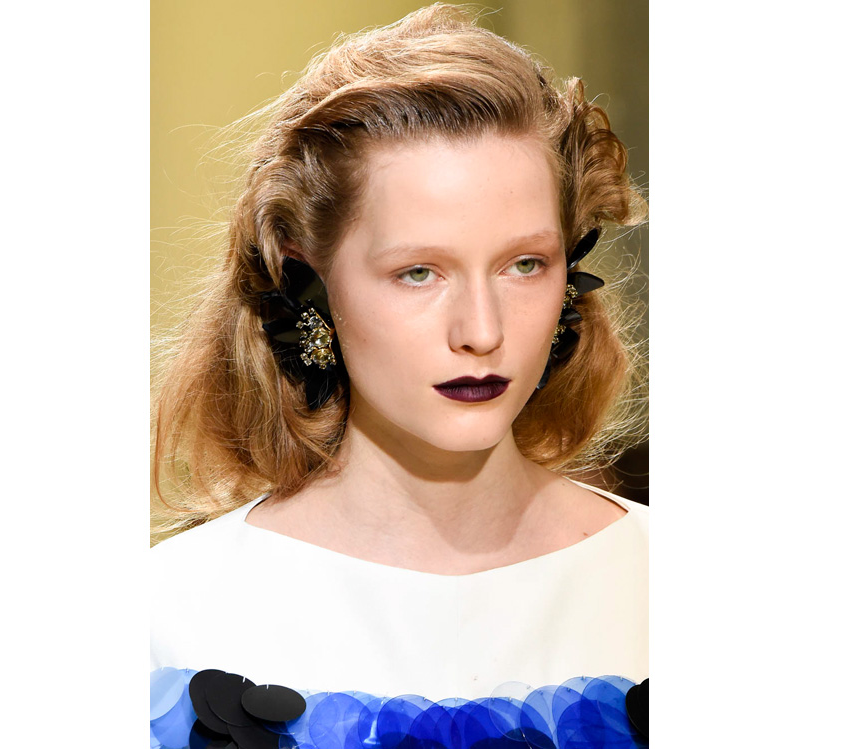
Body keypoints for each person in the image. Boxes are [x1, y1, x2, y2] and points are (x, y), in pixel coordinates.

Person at [150, 5, 648, 747]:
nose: (481, 330)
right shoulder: (169, 619)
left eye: (524, 264)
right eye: (419, 272)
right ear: (307, 279)